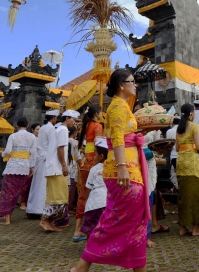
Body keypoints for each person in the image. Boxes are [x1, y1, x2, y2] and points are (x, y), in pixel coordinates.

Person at [72, 68, 150, 272]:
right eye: (132, 81)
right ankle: (82, 265)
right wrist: (123, 167)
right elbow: (116, 138)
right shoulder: (117, 106)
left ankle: (137, 266)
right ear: (121, 85)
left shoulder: (123, 106)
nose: (136, 84)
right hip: (122, 170)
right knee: (116, 219)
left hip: (130, 167)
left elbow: (124, 135)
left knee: (133, 219)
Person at [175, 103, 199, 236]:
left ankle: (183, 228)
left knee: (183, 196)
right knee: (197, 195)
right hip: (192, 164)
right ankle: (195, 229)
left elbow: (177, 148)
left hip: (181, 163)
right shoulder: (194, 126)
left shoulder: (179, 128)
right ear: (191, 113)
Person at [40, 110, 77, 232]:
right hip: (57, 168)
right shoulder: (63, 130)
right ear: (67, 118)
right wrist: (64, 165)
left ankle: (49, 222)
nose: (74, 122)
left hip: (54, 167)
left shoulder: (58, 129)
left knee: (55, 196)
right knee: (59, 197)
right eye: (73, 119)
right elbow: (60, 148)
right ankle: (45, 220)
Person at [0, 117, 37, 226]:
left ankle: (7, 219)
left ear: (16, 126)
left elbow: (8, 150)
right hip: (25, 166)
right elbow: (33, 153)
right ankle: (9, 216)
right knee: (16, 193)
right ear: (28, 125)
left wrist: (3, 154)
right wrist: (32, 167)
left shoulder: (13, 136)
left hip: (12, 166)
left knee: (7, 192)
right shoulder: (32, 137)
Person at [73, 105, 103, 240]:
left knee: (82, 195)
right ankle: (89, 227)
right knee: (93, 194)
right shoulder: (97, 125)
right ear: (96, 113)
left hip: (85, 161)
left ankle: (77, 229)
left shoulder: (86, 125)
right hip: (93, 162)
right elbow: (98, 143)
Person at [26, 110, 59, 216]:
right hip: (46, 158)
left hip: (40, 157)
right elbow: (52, 145)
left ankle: (32, 208)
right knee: (44, 184)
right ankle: (41, 209)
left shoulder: (43, 128)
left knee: (37, 183)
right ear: (53, 118)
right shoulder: (51, 129)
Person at [78, 138, 108, 238]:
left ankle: (90, 247)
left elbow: (88, 188)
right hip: (107, 203)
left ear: (101, 156)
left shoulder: (94, 169)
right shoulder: (113, 168)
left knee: (91, 228)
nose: (94, 157)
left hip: (95, 203)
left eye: (95, 154)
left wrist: (86, 201)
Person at [165, 116, 181, 190]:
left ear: (172, 123)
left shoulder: (169, 131)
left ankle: (177, 189)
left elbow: (169, 145)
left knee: (175, 174)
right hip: (182, 154)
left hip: (174, 155)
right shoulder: (183, 130)